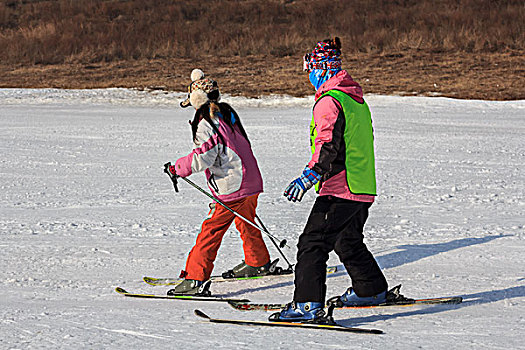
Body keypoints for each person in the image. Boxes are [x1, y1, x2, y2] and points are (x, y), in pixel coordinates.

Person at [271, 38, 388, 322]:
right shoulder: (354, 99)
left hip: (340, 187)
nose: (308, 74)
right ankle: (370, 289)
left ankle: (307, 304)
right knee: (347, 240)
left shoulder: (330, 101)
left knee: (312, 242)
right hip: (362, 186)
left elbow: (327, 144)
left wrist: (310, 175)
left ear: (321, 68)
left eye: (309, 67)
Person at [167, 69, 271, 295]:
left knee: (210, 231)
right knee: (247, 222)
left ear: (197, 100)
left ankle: (195, 278)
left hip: (232, 186)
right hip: (250, 181)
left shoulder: (207, 122)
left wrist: (178, 168)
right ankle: (258, 262)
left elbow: (203, 157)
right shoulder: (227, 114)